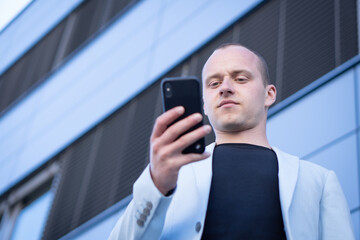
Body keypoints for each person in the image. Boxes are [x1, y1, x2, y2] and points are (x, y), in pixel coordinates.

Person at [108, 44, 355, 239]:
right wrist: (157, 184)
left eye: (240, 78)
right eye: (214, 83)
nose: (225, 88)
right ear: (204, 103)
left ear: (269, 94)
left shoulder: (320, 181)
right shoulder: (169, 175)